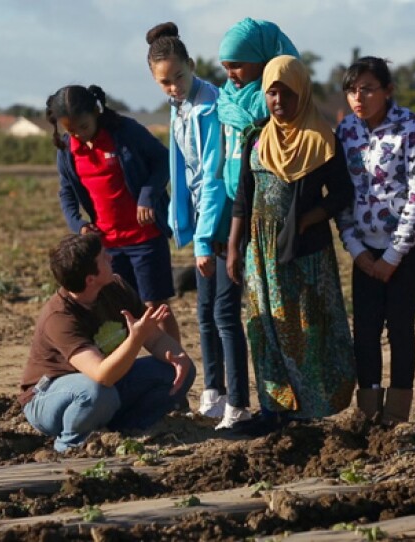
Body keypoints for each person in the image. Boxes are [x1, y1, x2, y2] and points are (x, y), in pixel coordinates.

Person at [226, 55, 355, 431]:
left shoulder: (320, 138)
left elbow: (341, 193)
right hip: (259, 254)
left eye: (286, 92)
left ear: (302, 92)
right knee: (265, 330)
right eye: (272, 92)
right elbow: (242, 199)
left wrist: (306, 220)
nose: (278, 100)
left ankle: (312, 411)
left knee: (307, 330)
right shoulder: (256, 137)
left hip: (304, 253)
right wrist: (235, 248)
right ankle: (273, 409)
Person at [146, 22, 250, 430]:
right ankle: (214, 395)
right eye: (164, 82)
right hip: (205, 228)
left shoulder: (210, 105)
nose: (172, 87)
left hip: (223, 227)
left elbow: (212, 175)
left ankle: (238, 405)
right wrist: (181, 224)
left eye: (178, 77)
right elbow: (181, 171)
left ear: (192, 65)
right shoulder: (181, 106)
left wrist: (205, 239)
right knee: (204, 313)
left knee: (225, 314)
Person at [19, 233, 195, 453]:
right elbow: (103, 374)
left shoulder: (115, 286)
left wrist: (176, 356)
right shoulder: (59, 316)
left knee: (181, 370)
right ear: (90, 279)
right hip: (48, 397)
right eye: (103, 258)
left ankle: (126, 430)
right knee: (96, 392)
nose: (110, 258)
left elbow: (155, 337)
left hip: (103, 386)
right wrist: (134, 339)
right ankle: (70, 445)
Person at [336, 56, 415, 425]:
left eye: (367, 88)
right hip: (365, 248)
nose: (358, 97)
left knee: (399, 326)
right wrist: (358, 251)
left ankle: (396, 414)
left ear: (387, 91)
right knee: (364, 329)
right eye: (351, 89)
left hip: (409, 247)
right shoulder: (346, 132)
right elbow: (342, 195)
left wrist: (393, 255)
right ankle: (368, 411)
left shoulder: (410, 129)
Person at [46, 84, 181, 343]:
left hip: (144, 237)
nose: (79, 135)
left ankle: (177, 371)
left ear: (96, 112)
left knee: (155, 308)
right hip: (106, 248)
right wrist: (79, 225)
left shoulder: (126, 132)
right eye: (71, 130)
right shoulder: (67, 149)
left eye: (83, 127)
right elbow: (66, 193)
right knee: (117, 312)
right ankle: (124, 375)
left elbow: (163, 160)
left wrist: (147, 197)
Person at [217, 18, 299, 203]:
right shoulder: (226, 100)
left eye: (237, 65)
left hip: (274, 203)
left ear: (262, 59)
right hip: (237, 203)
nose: (230, 74)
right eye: (226, 67)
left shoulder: (282, 101)